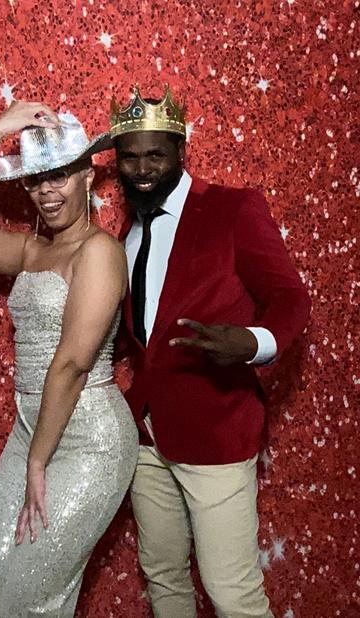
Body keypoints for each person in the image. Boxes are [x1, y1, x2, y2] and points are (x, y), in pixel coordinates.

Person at [109, 86, 312, 618]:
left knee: (231, 594)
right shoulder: (128, 229)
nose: (142, 169)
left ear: (180, 150)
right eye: (129, 157)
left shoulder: (233, 208)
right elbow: (142, 331)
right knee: (164, 576)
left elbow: (291, 298)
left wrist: (254, 341)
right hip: (146, 435)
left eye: (155, 155)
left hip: (217, 429)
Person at [0, 101, 138, 618]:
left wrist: (38, 462)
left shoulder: (99, 252)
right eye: (35, 179)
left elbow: (72, 363)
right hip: (30, 429)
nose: (47, 192)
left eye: (59, 176)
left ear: (86, 175)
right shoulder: (33, 250)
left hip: (90, 439)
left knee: (28, 598)